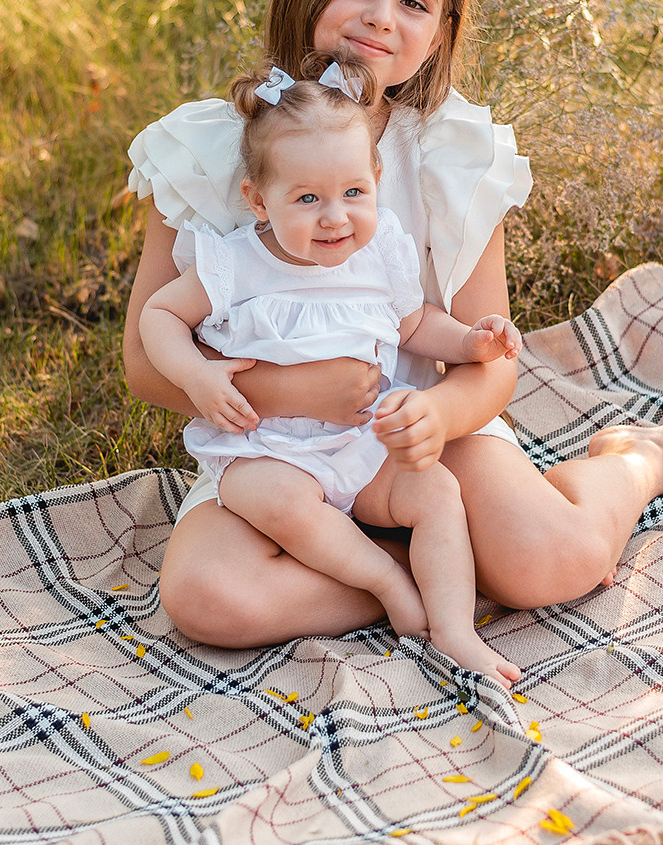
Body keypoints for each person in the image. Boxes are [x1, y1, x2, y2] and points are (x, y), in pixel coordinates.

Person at [124, 0, 663, 649]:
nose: (379, 15)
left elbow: (489, 363)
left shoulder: (451, 155)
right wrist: (290, 390)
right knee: (208, 598)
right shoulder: (203, 149)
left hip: (422, 439)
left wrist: (437, 416)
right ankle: (420, 570)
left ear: (440, 31)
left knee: (554, 562)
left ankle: (636, 458)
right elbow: (146, 364)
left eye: (414, 2)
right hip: (273, 447)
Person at [136, 51, 524, 683]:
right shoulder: (235, 264)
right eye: (307, 198)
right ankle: (389, 583)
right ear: (258, 201)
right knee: (275, 498)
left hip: (361, 441)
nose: (335, 217)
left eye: (352, 192)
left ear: (374, 177)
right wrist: (198, 376)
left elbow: (416, 325)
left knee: (436, 491)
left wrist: (472, 344)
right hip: (270, 452)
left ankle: (455, 631)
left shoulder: (382, 256)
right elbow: (158, 317)